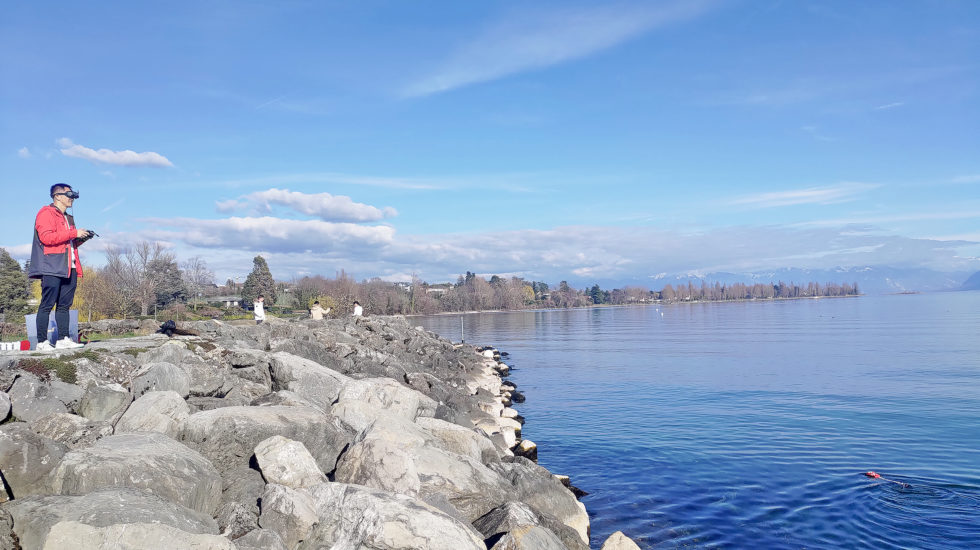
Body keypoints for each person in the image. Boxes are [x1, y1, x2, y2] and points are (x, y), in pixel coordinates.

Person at [28, 183, 92, 351]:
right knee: (47, 304)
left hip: (69, 266)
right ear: (57, 196)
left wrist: (81, 238)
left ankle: (63, 338)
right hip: (52, 265)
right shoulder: (45, 213)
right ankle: (41, 342)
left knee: (64, 305)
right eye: (69, 194)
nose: (72, 198)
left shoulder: (68, 217)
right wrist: (73, 233)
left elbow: (68, 241)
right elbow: (47, 238)